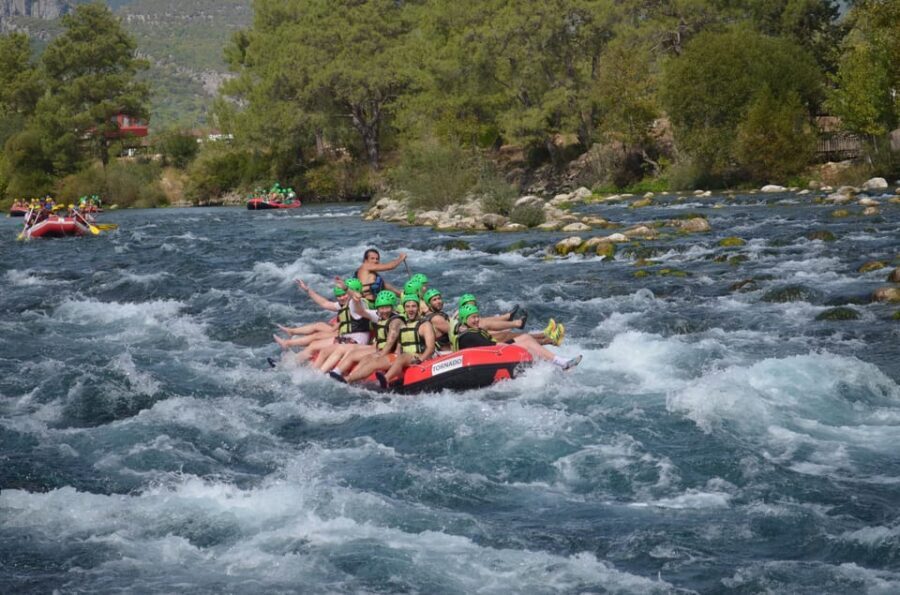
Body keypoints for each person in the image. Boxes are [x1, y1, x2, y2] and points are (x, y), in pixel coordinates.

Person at [452, 303, 581, 370]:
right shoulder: (469, 335)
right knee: (525, 343)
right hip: (487, 357)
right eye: (473, 318)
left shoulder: (472, 330)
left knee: (525, 337)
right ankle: (560, 362)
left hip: (490, 353)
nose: (476, 320)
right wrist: (514, 345)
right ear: (464, 320)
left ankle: (557, 361)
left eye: (477, 317)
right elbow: (494, 346)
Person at [329, 290, 405, 383]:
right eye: (381, 308)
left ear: (392, 307)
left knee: (373, 361)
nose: (384, 311)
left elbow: (390, 342)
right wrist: (352, 294)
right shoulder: (380, 316)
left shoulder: (395, 321)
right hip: (382, 349)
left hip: (395, 352)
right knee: (366, 358)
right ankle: (352, 377)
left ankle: (348, 379)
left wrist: (380, 355)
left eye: (387, 307)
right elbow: (359, 311)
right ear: (378, 308)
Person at [376, 293, 437, 388]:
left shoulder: (425, 325)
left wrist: (420, 360)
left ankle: (386, 378)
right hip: (406, 359)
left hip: (420, 357)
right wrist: (393, 361)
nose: (410, 309)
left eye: (413, 306)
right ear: (404, 308)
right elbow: (399, 348)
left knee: (403, 357)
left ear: (418, 308)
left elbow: (431, 348)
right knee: (399, 357)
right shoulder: (403, 325)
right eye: (407, 306)